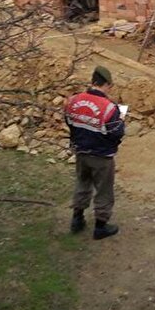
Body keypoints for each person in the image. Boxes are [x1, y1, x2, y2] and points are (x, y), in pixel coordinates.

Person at [63, 65, 125, 240]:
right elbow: (117, 132)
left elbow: (69, 122)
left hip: (81, 152)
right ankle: (100, 226)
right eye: (110, 87)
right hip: (102, 156)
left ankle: (77, 219)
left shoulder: (73, 100)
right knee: (104, 190)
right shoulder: (110, 108)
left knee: (82, 184)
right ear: (106, 84)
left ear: (93, 82)